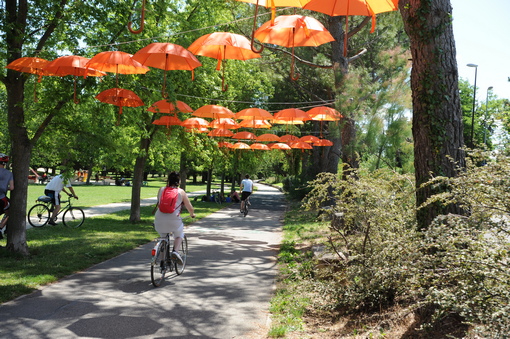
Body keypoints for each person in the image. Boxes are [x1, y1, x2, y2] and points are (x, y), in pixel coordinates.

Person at [153, 171, 195, 265]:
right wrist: (192, 214)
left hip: (159, 218)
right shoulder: (181, 192)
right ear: (179, 181)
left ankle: (162, 262)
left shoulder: (161, 189)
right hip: (173, 219)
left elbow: (159, 202)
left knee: (163, 237)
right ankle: (175, 252)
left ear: (168, 180)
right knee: (179, 234)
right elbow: (190, 207)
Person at [0, 153, 14, 239]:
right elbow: (12, 187)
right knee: (9, 212)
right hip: (1, 198)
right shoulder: (9, 173)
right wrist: (5, 188)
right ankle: (0, 228)